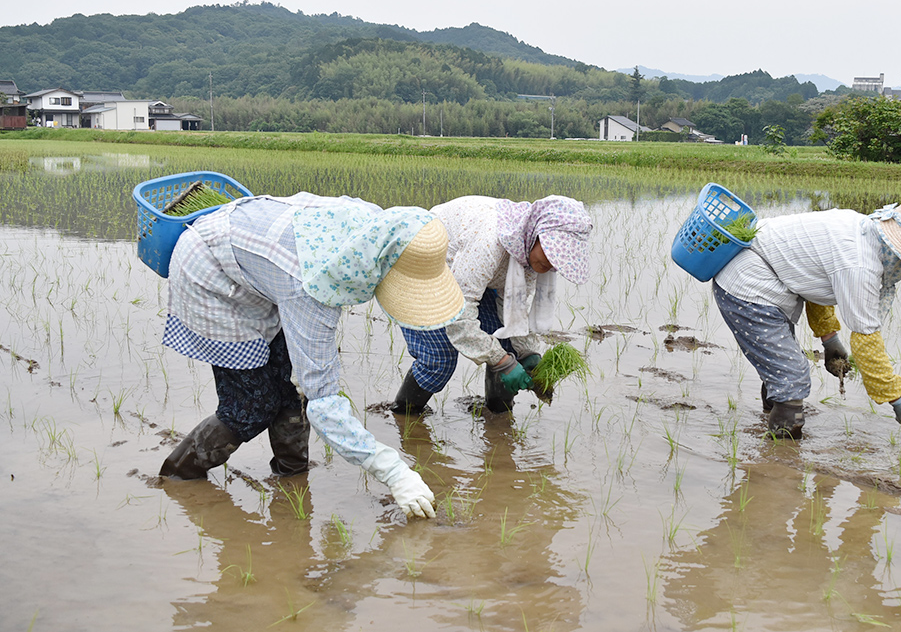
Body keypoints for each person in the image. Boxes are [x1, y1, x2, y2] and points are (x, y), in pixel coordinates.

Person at [158, 192, 465, 519]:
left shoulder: (378, 229)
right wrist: (394, 472)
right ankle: (178, 476)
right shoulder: (313, 287)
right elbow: (325, 403)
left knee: (290, 388)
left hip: (264, 264)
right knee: (249, 406)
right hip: (209, 269)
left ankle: (291, 483)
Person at [711, 193, 901, 439]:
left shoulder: (862, 229)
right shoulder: (860, 264)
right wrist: (897, 397)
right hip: (746, 285)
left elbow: (813, 281)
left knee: (783, 367)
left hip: (765, 280)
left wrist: (829, 339)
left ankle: (773, 421)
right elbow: (866, 341)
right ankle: (780, 463)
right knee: (792, 374)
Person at [391, 194, 592, 415]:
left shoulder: (527, 252)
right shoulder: (490, 240)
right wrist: (501, 362)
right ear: (536, 233)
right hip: (422, 267)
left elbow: (513, 307)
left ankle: (497, 420)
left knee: (508, 345)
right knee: (439, 358)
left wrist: (527, 352)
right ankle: (404, 417)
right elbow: (458, 314)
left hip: (463, 277)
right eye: (552, 252)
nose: (552, 264)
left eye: (559, 259)